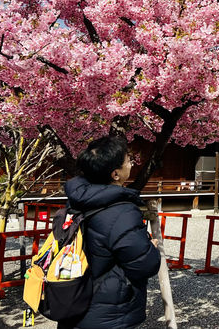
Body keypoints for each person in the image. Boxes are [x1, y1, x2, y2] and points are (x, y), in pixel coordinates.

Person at [59, 136, 161, 328]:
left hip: (73, 300)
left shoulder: (77, 201)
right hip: (109, 312)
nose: (131, 163)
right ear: (115, 174)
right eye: (127, 160)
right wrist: (152, 249)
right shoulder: (121, 212)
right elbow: (144, 265)